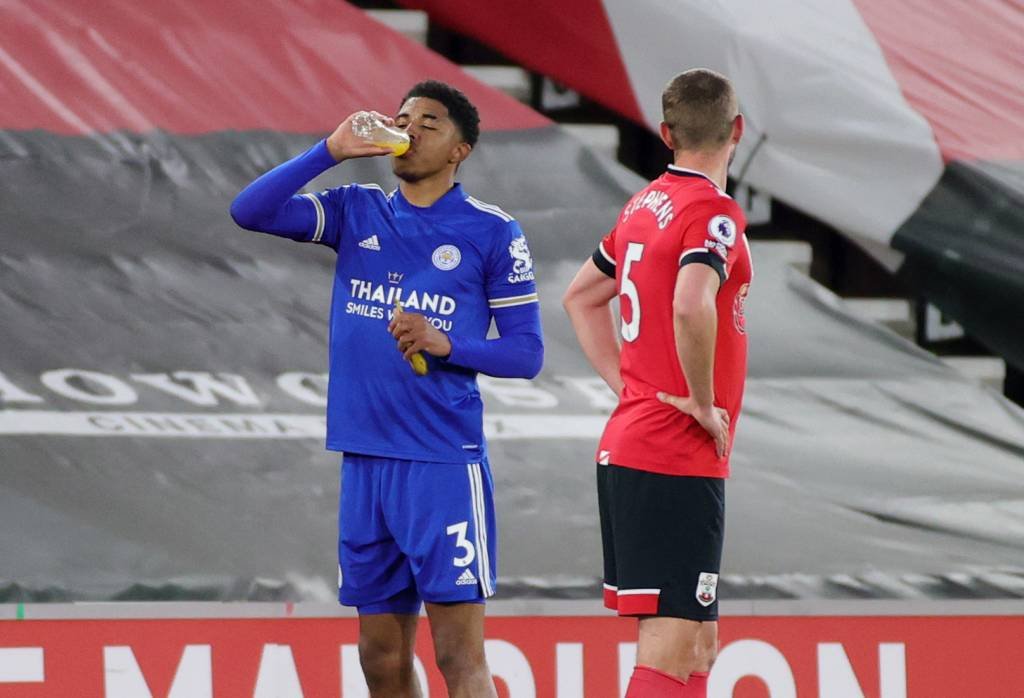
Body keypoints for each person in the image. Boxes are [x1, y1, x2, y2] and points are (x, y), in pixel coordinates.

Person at [230, 80, 543, 697]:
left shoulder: (492, 231)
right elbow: (250, 211)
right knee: (379, 658)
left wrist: (447, 343)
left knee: (458, 657)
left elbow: (526, 353)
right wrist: (331, 149)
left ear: (462, 149)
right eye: (403, 118)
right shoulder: (357, 209)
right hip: (365, 460)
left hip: (441, 467)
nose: (410, 129)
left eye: (430, 122)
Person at [562, 69, 751, 697]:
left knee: (700, 643)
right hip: (672, 451)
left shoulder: (644, 204)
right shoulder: (714, 213)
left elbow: (582, 297)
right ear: (739, 131)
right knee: (672, 646)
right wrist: (700, 401)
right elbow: (691, 302)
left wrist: (632, 387)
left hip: (644, 441)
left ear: (666, 134)